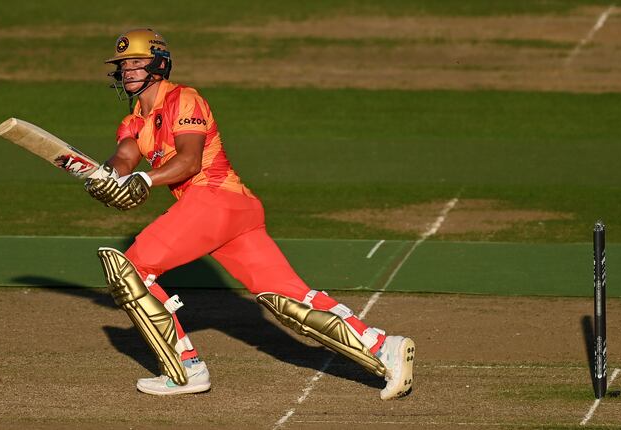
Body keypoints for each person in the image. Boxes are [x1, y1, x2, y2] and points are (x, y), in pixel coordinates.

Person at [84, 28, 415, 400]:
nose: (128, 70)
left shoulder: (184, 99)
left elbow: (190, 161)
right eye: (123, 64)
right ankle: (384, 348)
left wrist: (143, 179)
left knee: (132, 270)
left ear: (159, 63)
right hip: (230, 213)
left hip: (214, 200)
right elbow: (124, 158)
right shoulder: (133, 120)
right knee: (289, 300)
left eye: (137, 62)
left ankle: (185, 370)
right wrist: (105, 175)